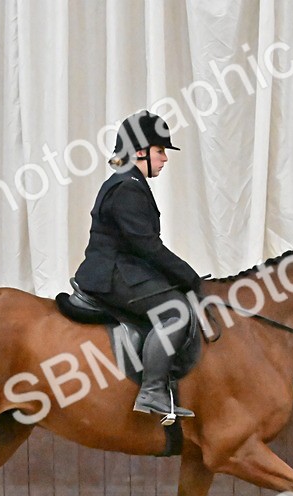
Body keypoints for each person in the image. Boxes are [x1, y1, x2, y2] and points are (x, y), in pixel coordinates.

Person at [74, 110, 202, 421]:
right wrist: (188, 276)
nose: (165, 159)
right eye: (160, 151)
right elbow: (146, 246)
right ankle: (153, 391)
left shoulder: (128, 181)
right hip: (113, 273)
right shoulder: (128, 187)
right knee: (175, 311)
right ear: (141, 151)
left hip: (123, 269)